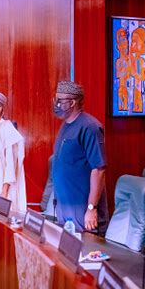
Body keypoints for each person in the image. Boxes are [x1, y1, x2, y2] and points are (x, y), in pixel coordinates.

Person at [52, 81, 108, 235]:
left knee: (85, 255)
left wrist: (91, 208)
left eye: (60, 101)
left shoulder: (90, 127)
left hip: (84, 213)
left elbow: (98, 169)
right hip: (65, 211)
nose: (56, 104)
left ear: (72, 102)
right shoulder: (65, 126)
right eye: (55, 99)